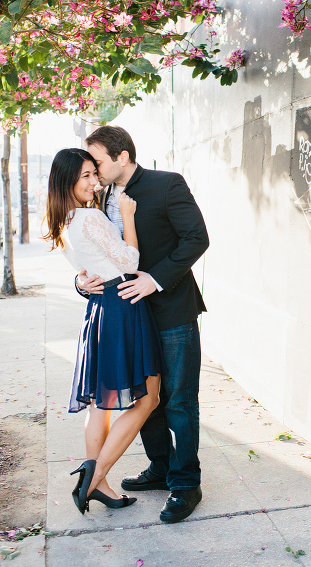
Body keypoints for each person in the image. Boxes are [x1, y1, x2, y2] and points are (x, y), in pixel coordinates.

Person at [75, 126, 210, 524]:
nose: (93, 171)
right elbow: (92, 254)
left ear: (122, 157)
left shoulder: (167, 185)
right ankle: (161, 467)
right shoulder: (97, 198)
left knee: (179, 402)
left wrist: (155, 278)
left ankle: (186, 484)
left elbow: (196, 238)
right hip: (127, 320)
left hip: (171, 312)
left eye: (97, 162)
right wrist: (81, 283)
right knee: (143, 402)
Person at [43, 148, 162, 514]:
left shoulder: (61, 221)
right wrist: (127, 216)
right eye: (86, 177)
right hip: (121, 305)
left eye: (95, 174)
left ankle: (101, 485)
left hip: (99, 310)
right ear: (67, 181)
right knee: (149, 398)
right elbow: (130, 260)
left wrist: (82, 282)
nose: (95, 183)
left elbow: (85, 272)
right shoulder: (90, 217)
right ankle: (93, 479)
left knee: (100, 407)